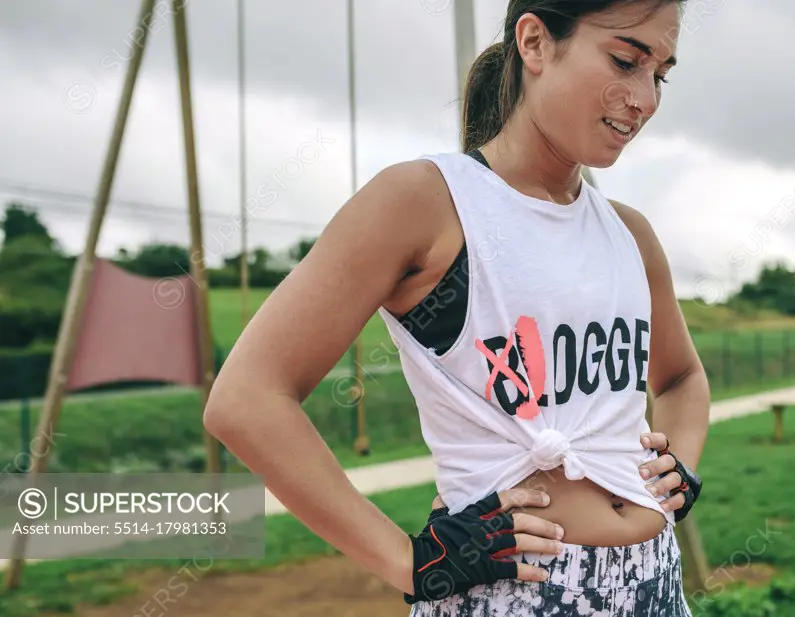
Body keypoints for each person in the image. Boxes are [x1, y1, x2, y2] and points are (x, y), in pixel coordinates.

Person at [203, 0, 710, 615]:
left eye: (659, 74)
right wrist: (407, 562)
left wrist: (678, 461)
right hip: (513, 589)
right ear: (535, 43)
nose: (645, 99)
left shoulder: (630, 234)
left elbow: (681, 377)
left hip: (655, 578)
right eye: (625, 61)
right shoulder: (426, 202)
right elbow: (247, 399)